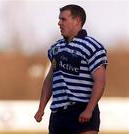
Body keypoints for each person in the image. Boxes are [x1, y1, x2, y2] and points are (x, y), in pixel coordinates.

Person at [34, 4, 108, 134]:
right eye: (59, 19)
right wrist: (41, 108)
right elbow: (50, 79)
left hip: (82, 110)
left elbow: (100, 81)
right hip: (58, 115)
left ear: (77, 21)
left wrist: (89, 109)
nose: (59, 23)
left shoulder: (92, 47)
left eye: (63, 19)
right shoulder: (56, 48)